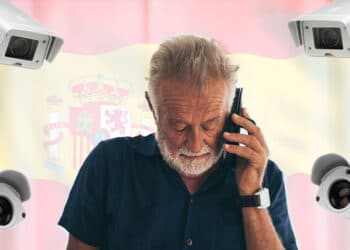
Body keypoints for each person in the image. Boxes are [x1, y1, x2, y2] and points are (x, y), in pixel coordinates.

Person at [58, 35, 298, 250]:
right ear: (153, 108)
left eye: (209, 124)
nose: (195, 145)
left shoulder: (265, 177)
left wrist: (251, 195)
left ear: (232, 111)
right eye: (179, 126)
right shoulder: (108, 164)